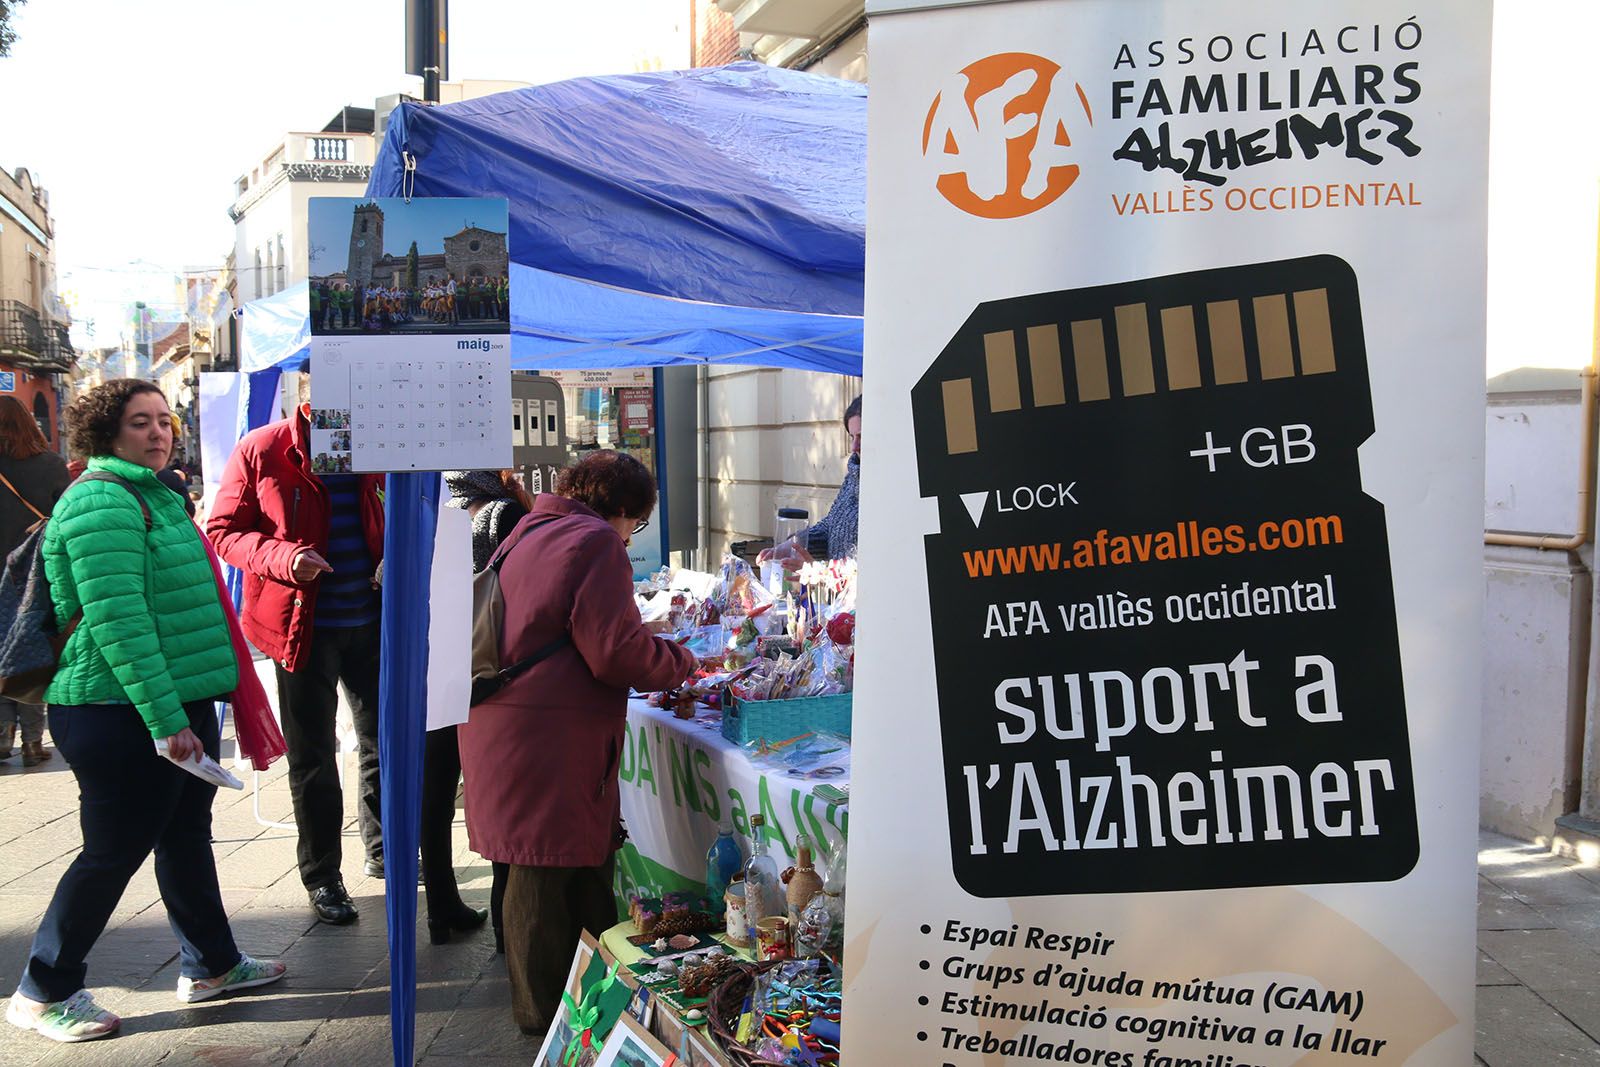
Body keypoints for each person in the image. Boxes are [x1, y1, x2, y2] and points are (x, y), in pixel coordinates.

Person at [6, 380, 285, 1044]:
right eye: (141, 422)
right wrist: (166, 718)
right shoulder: (102, 499)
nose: (159, 432)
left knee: (185, 831)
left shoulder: (155, 492)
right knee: (112, 849)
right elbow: (120, 623)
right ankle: (43, 987)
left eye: (164, 420)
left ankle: (213, 964)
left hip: (169, 698)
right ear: (107, 433)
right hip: (117, 706)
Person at [459, 451, 694, 1035]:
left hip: (512, 726)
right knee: (543, 872)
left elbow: (568, 624)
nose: (630, 536)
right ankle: (545, 1021)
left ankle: (579, 1000)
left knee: (539, 866)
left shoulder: (535, 526)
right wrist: (680, 660)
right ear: (620, 510)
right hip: (547, 735)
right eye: (635, 525)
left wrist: (641, 637)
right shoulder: (594, 543)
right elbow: (614, 653)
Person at [206, 400, 386, 926]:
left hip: (372, 621)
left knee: (383, 743)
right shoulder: (264, 448)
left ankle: (386, 852)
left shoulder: (380, 438)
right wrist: (284, 558)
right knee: (313, 756)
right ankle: (324, 876)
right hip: (299, 628)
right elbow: (223, 531)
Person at [431, 469, 533, 950]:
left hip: (431, 663)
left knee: (434, 793)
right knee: (494, 793)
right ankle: (503, 923)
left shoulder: (431, 506)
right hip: (483, 667)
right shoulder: (502, 511)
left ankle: (440, 906)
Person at [0, 395, 70, 766]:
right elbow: (63, 519)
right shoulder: (51, 464)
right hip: (32, 571)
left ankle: (1, 737)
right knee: (30, 648)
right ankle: (31, 741)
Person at [760, 395, 860, 567]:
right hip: (836, 591)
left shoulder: (890, 485)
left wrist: (817, 572)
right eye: (852, 437)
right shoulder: (854, 475)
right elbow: (831, 525)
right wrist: (795, 545)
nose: (854, 447)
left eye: (861, 436)